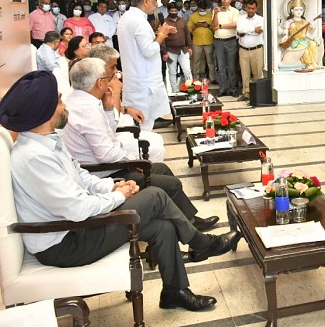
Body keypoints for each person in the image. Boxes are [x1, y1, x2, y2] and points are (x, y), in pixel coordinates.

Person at [1, 71, 241, 311]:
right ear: (43, 112)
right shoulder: (35, 158)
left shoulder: (48, 142)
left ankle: (174, 292)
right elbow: (76, 209)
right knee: (156, 195)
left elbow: (81, 176)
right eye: (59, 101)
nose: (64, 105)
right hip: (65, 244)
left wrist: (113, 185)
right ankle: (201, 243)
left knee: (163, 227)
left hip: (76, 229)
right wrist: (118, 196)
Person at [64, 58, 218, 232]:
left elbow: (109, 132)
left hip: (107, 166)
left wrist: (108, 108)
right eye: (107, 78)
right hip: (105, 173)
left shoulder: (80, 101)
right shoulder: (87, 110)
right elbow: (107, 155)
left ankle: (188, 220)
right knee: (171, 184)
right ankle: (188, 227)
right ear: (99, 83)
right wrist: (132, 161)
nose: (110, 82)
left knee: (162, 169)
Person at [118, 0, 177, 131]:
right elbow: (149, 50)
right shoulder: (138, 21)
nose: (156, 4)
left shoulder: (127, 17)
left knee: (136, 125)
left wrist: (160, 32)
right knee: (144, 125)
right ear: (145, 1)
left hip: (136, 78)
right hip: (144, 83)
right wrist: (161, 35)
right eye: (155, 0)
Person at [279, 0, 320, 71]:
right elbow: (285, 33)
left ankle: (314, 63)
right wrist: (285, 38)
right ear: (292, 11)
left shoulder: (305, 22)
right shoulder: (289, 22)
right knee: (305, 49)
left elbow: (307, 34)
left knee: (313, 44)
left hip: (304, 41)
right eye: (296, 10)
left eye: (301, 10)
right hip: (295, 42)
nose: (299, 12)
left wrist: (314, 38)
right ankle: (309, 64)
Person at [210, 0, 240, 95]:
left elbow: (235, 24)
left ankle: (233, 89)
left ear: (230, 0)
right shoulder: (217, 10)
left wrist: (221, 26)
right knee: (221, 66)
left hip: (231, 41)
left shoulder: (235, 11)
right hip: (218, 41)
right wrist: (216, 13)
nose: (224, 0)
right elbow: (214, 25)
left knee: (231, 66)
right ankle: (222, 89)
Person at [236, 0, 265, 102]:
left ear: (256, 8)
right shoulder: (241, 19)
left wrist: (246, 30)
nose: (251, 10)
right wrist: (253, 29)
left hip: (256, 49)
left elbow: (259, 31)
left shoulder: (261, 19)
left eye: (253, 8)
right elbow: (239, 30)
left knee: (258, 72)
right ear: (246, 8)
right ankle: (246, 93)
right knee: (245, 73)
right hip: (243, 49)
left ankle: (257, 94)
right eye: (249, 8)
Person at [162, 2, 193, 95]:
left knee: (187, 70)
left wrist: (190, 46)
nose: (173, 12)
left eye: (175, 11)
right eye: (171, 11)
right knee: (172, 72)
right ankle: (174, 91)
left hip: (183, 50)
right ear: (168, 11)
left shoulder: (182, 20)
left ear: (177, 11)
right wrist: (164, 52)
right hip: (170, 51)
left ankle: (190, 90)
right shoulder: (165, 22)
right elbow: (162, 38)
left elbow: (187, 34)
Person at [187, 0, 216, 84]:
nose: (202, 11)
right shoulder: (193, 16)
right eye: (200, 10)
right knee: (196, 61)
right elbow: (188, 29)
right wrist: (195, 25)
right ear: (198, 8)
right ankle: (196, 78)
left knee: (210, 61)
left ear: (206, 8)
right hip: (197, 42)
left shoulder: (210, 15)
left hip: (209, 41)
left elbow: (215, 28)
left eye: (204, 10)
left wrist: (208, 26)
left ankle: (212, 78)